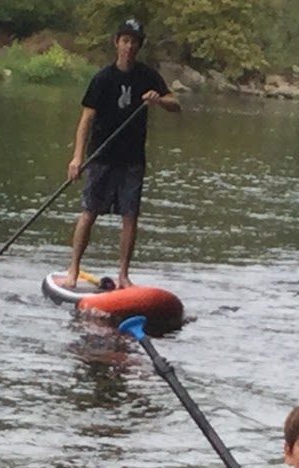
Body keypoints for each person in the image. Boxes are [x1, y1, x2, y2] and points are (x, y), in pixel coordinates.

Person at [59, 18, 180, 290]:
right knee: (89, 213)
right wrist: (77, 158)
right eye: (124, 40)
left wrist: (158, 100)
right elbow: (86, 120)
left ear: (139, 46)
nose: (128, 46)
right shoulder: (103, 78)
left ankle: (123, 275)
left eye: (134, 42)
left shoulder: (147, 76)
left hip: (132, 160)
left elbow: (176, 104)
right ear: (117, 43)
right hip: (101, 157)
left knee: (130, 217)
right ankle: (73, 269)